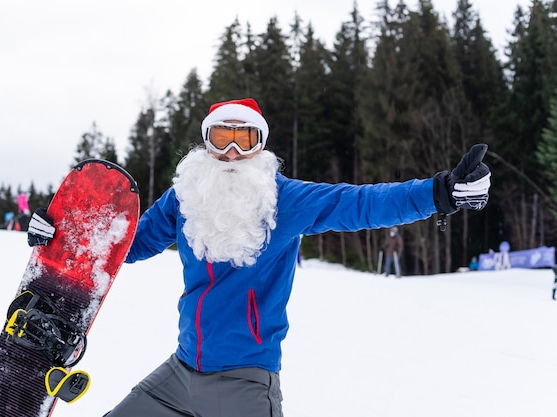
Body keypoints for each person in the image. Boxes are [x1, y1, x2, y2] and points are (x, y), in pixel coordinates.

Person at [27, 98, 491, 417]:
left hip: (245, 383)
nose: (230, 153)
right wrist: (62, 232)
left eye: (243, 140)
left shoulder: (283, 200)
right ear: (205, 143)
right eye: (221, 138)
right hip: (180, 373)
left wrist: (441, 192)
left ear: (259, 147)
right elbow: (130, 245)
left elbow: (362, 203)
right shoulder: (185, 197)